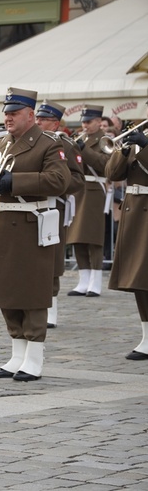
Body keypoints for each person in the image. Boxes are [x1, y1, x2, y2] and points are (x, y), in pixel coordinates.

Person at [0, 87, 69, 381]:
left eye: (14, 113)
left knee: (31, 293)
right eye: (6, 113)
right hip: (0, 225)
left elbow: (59, 180)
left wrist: (15, 181)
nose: (8, 118)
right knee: (7, 292)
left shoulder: (48, 145)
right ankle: (16, 353)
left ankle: (34, 357)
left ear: (30, 115)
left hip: (30, 226)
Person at [34, 100, 85, 329]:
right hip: (31, 206)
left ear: (55, 123)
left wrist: (54, 185)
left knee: (52, 259)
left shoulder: (65, 143)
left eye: (43, 119)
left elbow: (77, 179)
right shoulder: (32, 143)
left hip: (54, 206)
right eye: (37, 118)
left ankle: (51, 309)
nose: (38, 122)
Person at [105, 101, 148, 360]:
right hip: (134, 215)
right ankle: (146, 335)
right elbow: (112, 172)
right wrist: (122, 149)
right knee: (138, 281)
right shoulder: (139, 134)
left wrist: (144, 147)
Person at [66, 104, 110, 297]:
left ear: (99, 122)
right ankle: (83, 280)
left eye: (89, 122)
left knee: (93, 238)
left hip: (94, 190)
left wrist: (84, 150)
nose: (85, 125)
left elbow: (105, 164)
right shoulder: (79, 138)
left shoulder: (105, 139)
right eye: (83, 121)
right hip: (78, 190)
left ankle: (96, 281)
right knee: (77, 237)